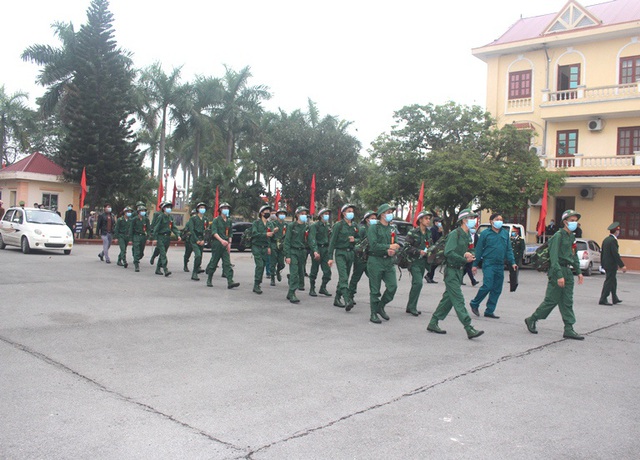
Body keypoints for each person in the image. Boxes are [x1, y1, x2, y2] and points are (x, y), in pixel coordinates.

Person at [524, 209, 585, 340]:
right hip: (558, 271)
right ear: (565, 222)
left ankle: (569, 328)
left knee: (567, 301)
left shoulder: (572, 237)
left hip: (568, 272)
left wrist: (579, 272)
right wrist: (559, 275)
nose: (575, 223)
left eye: (576, 221)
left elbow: (573, 256)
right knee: (551, 301)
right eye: (572, 221)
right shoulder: (558, 236)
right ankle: (532, 319)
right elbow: (554, 258)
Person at [427, 209, 484, 339]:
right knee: (458, 299)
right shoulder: (455, 234)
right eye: (471, 218)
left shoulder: (468, 234)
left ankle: (433, 322)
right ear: (464, 220)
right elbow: (448, 252)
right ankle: (469, 328)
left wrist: (470, 254)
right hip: (451, 271)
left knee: (448, 299)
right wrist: (464, 258)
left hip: (459, 271)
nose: (473, 220)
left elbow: (471, 248)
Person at [469, 213, 517, 319]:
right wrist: (474, 265)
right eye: (497, 219)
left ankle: (490, 310)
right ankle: (474, 303)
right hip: (488, 263)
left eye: (501, 219)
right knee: (487, 285)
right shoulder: (485, 233)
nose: (499, 221)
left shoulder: (505, 233)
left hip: (500, 264)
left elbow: (509, 249)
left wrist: (513, 262)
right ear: (491, 221)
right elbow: (479, 249)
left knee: (497, 289)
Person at [367, 203, 399, 324]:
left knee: (392, 286)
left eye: (391, 212)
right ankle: (373, 313)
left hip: (389, 261)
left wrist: (393, 249)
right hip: (375, 261)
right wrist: (388, 247)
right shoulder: (373, 228)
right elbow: (373, 245)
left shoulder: (392, 228)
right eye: (388, 212)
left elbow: (395, 243)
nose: (390, 214)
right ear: (381, 215)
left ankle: (381, 306)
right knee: (375, 289)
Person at [328, 204, 359, 310]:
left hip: (351, 253)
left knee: (344, 277)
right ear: (343, 213)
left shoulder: (354, 226)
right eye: (348, 211)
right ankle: (347, 300)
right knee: (344, 277)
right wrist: (330, 257)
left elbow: (361, 239)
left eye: (352, 211)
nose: (351, 213)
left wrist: (354, 240)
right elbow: (332, 242)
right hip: (340, 253)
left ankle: (337, 298)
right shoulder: (338, 225)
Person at [405, 210, 433, 316]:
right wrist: (418, 251)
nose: (428, 220)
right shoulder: (413, 232)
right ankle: (412, 307)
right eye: (426, 218)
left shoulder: (429, 233)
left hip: (422, 262)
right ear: (420, 220)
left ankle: (411, 306)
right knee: (418, 283)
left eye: (429, 219)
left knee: (416, 284)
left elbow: (430, 245)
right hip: (413, 262)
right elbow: (406, 247)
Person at [205, 202, 240, 289]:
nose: (226, 210)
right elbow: (214, 232)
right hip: (217, 243)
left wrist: (229, 243)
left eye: (227, 208)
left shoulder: (229, 221)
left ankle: (230, 281)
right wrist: (221, 240)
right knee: (214, 262)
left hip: (225, 244)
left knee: (227, 263)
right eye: (224, 208)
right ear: (220, 210)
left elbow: (230, 233)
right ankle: (209, 279)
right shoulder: (216, 220)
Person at [348, 210, 376, 306]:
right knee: (356, 277)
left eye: (375, 218)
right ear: (367, 219)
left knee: (373, 278)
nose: (374, 220)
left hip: (370, 258)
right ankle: (350, 295)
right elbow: (357, 240)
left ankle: (375, 298)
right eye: (372, 218)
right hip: (360, 257)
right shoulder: (363, 229)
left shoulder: (375, 229)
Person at [284, 206, 310, 303]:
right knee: (294, 273)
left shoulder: (307, 227)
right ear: (297, 215)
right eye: (302, 214)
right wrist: (287, 255)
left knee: (300, 273)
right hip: (293, 251)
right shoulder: (291, 226)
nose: (304, 215)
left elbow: (310, 240)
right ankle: (292, 293)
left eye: (305, 214)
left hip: (302, 252)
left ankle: (290, 293)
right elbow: (287, 241)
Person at [599, 222, 627, 305]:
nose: (619, 232)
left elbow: (602, 253)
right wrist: (622, 265)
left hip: (606, 264)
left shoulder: (606, 239)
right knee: (609, 281)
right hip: (611, 265)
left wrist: (602, 263)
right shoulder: (613, 241)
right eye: (618, 231)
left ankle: (614, 297)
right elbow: (615, 254)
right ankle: (603, 298)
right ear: (616, 231)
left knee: (613, 281)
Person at [250, 205, 274, 294]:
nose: (268, 212)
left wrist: (269, 247)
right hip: (256, 246)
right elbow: (255, 234)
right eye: (266, 211)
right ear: (261, 213)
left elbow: (271, 238)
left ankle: (258, 284)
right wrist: (265, 234)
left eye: (269, 211)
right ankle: (256, 285)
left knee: (263, 266)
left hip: (265, 247)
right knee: (259, 265)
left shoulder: (270, 224)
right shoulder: (256, 223)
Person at [153, 201, 181, 277]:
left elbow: (173, 227)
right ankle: (165, 269)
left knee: (163, 253)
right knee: (162, 253)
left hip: (167, 237)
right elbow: (156, 227)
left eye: (169, 207)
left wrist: (178, 235)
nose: (168, 209)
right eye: (167, 207)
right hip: (161, 237)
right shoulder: (160, 216)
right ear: (163, 208)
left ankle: (158, 269)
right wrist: (155, 238)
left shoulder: (170, 217)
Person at [309, 208, 332, 298]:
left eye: (328, 214)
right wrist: (315, 251)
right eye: (325, 214)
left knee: (327, 271)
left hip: (325, 250)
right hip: (317, 249)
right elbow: (312, 239)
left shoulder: (328, 226)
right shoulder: (315, 226)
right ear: (320, 215)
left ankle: (323, 287)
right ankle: (312, 288)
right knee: (314, 270)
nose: (327, 215)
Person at [188, 203, 209, 281]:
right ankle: (194, 272)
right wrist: (197, 240)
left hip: (202, 239)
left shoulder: (205, 219)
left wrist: (204, 240)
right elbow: (192, 230)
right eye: (201, 207)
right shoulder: (193, 219)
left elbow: (207, 231)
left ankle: (197, 269)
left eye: (203, 207)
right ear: (197, 209)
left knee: (200, 257)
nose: (202, 209)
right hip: (194, 239)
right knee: (198, 255)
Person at [268, 207, 288, 286]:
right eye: (280, 214)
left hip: (282, 245)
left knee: (281, 264)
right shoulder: (273, 224)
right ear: (277, 215)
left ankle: (278, 271)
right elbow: (269, 235)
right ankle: (272, 278)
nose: (282, 215)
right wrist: (273, 231)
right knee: (273, 263)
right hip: (274, 244)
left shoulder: (286, 225)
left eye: (283, 214)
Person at [130, 205, 150, 272]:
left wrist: (148, 238)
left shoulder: (146, 219)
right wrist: (130, 239)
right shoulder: (134, 219)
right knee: (136, 250)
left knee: (141, 252)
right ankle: (136, 265)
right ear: (138, 212)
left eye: (144, 211)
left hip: (143, 236)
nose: (143, 212)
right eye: (141, 211)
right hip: (136, 236)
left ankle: (137, 258)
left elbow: (148, 229)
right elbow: (131, 229)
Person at [425, 216, 444, 283]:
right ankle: (429, 276)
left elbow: (441, 239)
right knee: (434, 263)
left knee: (436, 263)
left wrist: (440, 232)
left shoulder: (439, 229)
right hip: (434, 248)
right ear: (435, 222)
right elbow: (434, 239)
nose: (440, 223)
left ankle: (429, 276)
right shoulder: (433, 229)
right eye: (438, 222)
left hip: (438, 248)